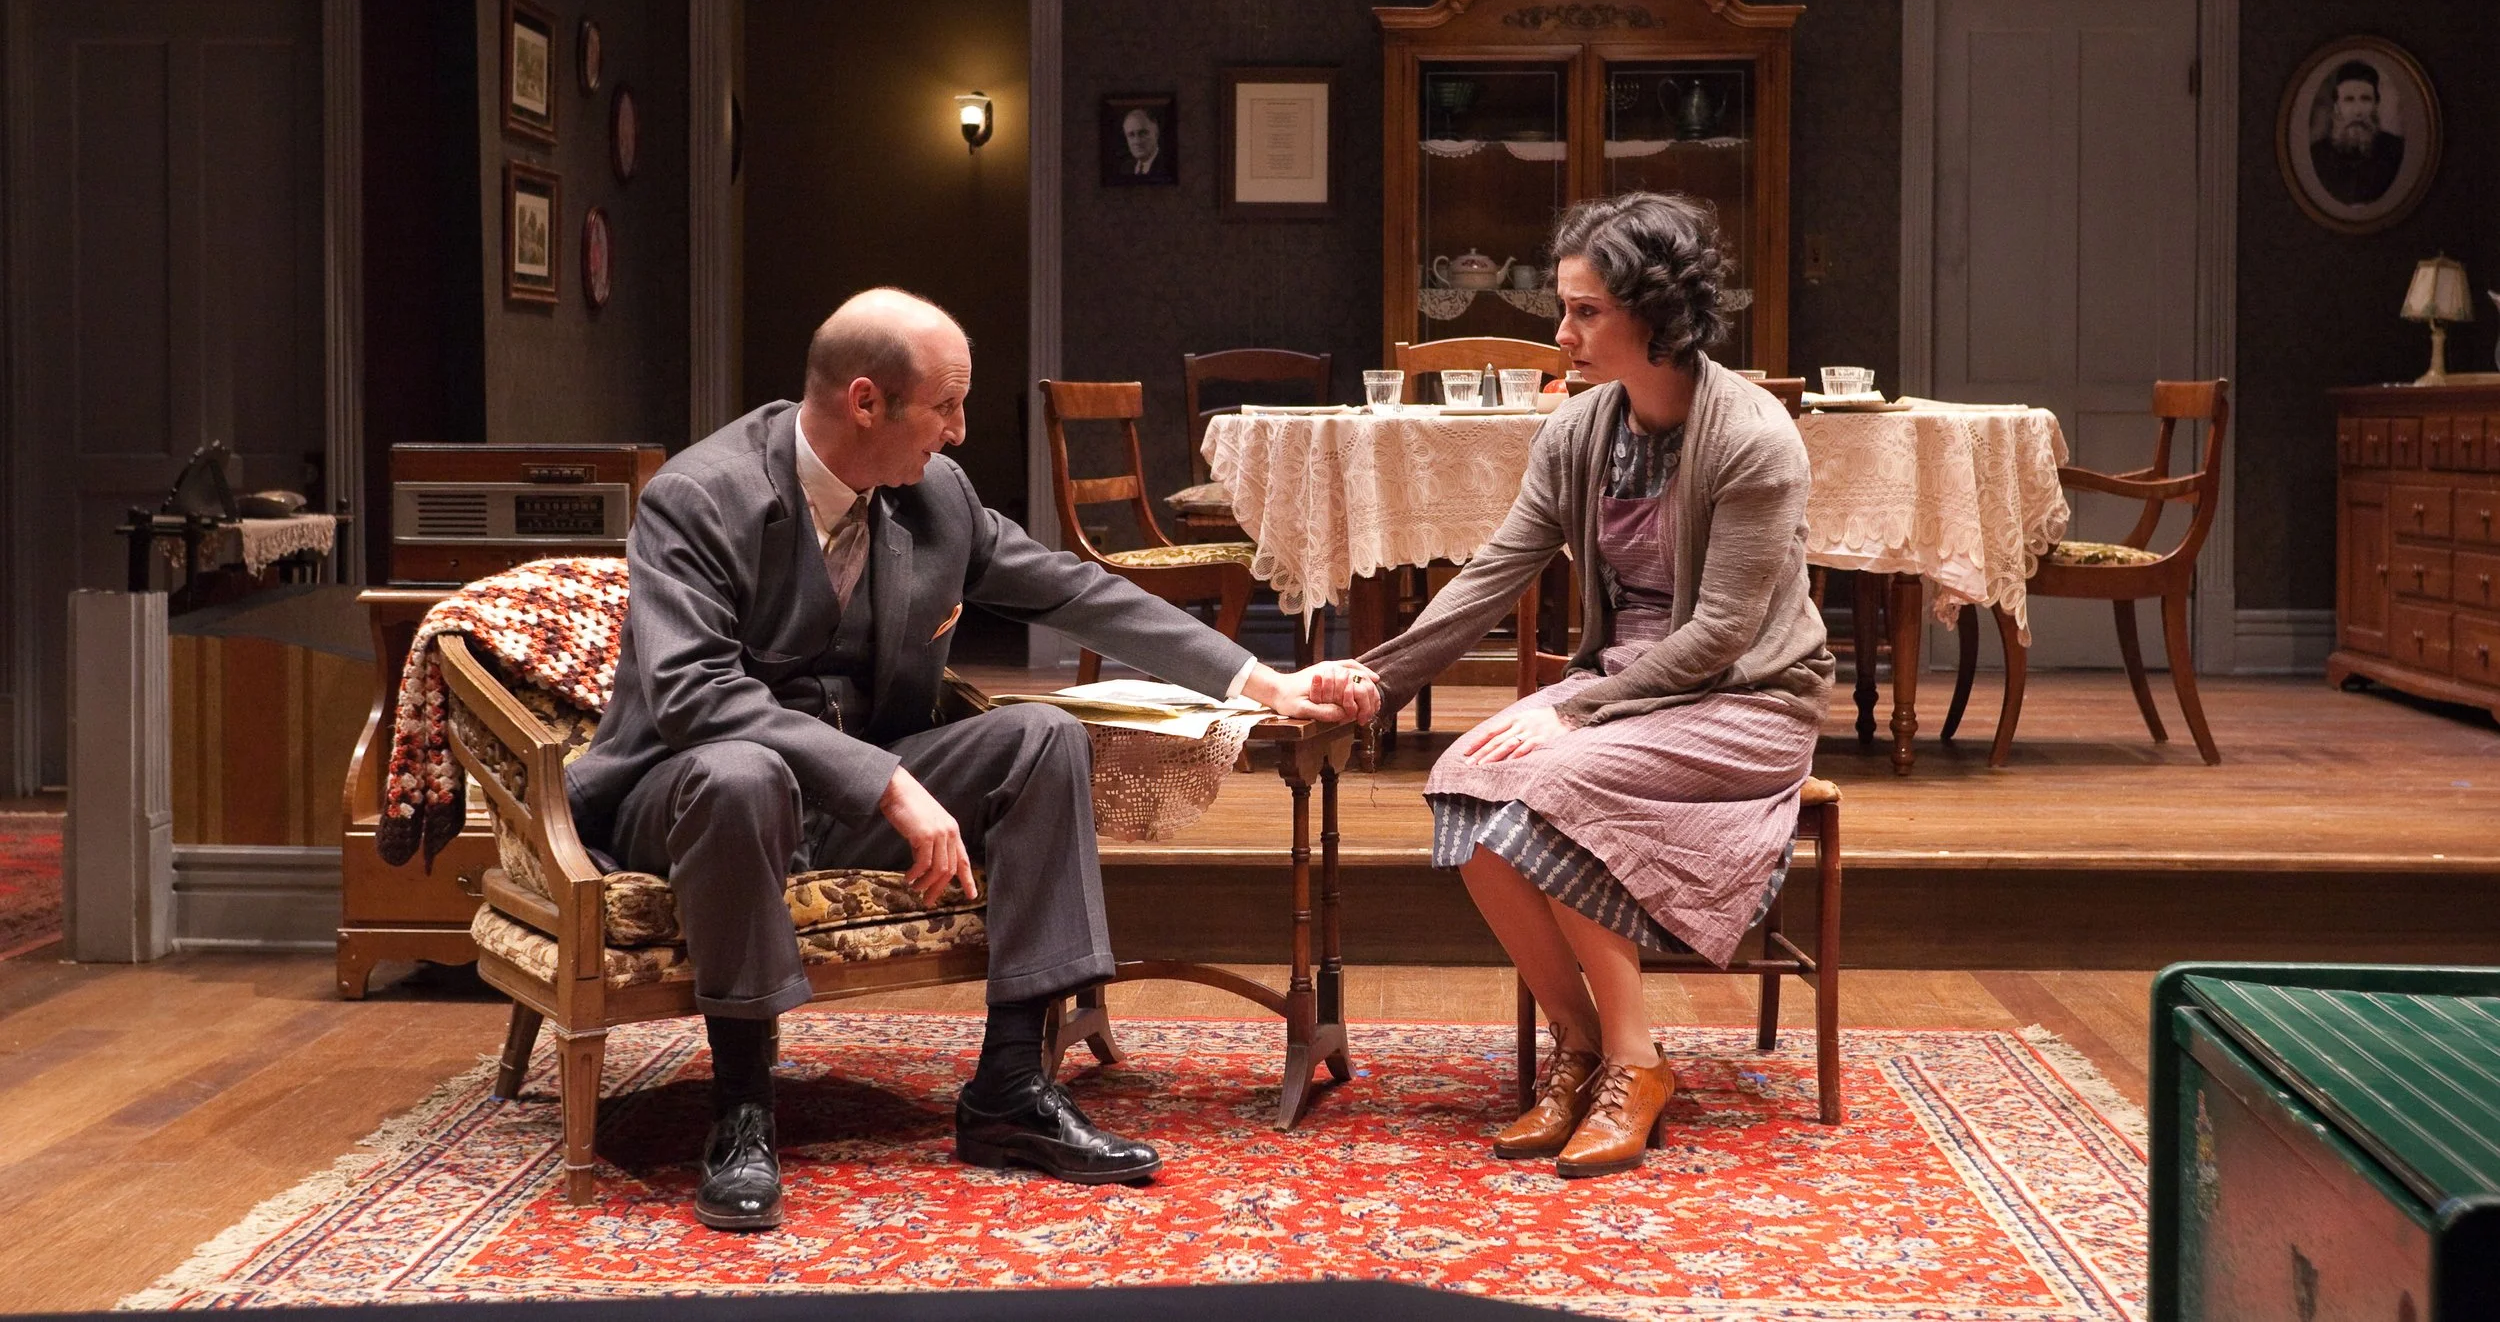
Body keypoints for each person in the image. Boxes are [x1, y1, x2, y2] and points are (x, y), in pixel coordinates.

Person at [567, 287, 1349, 1229]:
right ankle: (742, 1109)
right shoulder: (699, 497)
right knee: (743, 772)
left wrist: (1257, 679)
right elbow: (695, 694)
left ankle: (1012, 1089)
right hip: (688, 793)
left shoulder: (934, 497)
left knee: (1040, 737)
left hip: (849, 785)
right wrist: (888, 779)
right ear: (867, 402)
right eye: (946, 407)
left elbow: (1074, 589)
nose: (962, 432)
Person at [1311, 191, 1832, 1179]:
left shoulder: (1753, 437)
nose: (1561, 333)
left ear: (1659, 313)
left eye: (1586, 311)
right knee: (1464, 772)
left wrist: (1571, 711)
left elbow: (1721, 631)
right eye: (1565, 307)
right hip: (1624, 681)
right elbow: (1495, 571)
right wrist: (1372, 677)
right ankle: (1581, 1046)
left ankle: (1636, 1065)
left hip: (1744, 697)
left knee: (1553, 783)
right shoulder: (1580, 429)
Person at [2310, 59, 2404, 206]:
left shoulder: (2397, 151)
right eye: (2349, 100)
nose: (2357, 111)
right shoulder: (2316, 156)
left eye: (2365, 99)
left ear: (2375, 105)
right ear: (2336, 107)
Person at [1120, 107, 1162, 176]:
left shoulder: (1169, 166)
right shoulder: (1125, 169)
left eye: (1143, 133)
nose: (1137, 141)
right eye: (1131, 135)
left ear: (1156, 133)